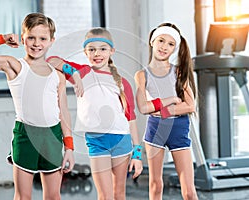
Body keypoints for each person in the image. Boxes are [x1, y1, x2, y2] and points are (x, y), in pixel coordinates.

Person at [0, 13, 80, 200]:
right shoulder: (15, 66)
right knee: (23, 196)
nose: (37, 43)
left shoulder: (57, 76)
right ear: (22, 39)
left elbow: (63, 113)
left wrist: (69, 148)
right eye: (31, 38)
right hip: (25, 135)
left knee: (53, 196)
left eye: (42, 38)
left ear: (51, 41)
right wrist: (1, 39)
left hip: (52, 137)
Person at [47, 27, 143, 200]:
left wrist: (137, 154)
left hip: (121, 139)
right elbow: (51, 60)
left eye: (102, 49)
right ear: (85, 52)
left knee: (118, 193)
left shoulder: (123, 83)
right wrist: (74, 74)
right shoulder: (84, 72)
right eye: (91, 49)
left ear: (111, 51)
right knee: (104, 195)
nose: (97, 53)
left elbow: (131, 118)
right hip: (97, 141)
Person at [134, 23, 198, 200]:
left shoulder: (178, 72)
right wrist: (172, 103)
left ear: (175, 49)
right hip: (155, 131)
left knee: (189, 191)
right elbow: (143, 107)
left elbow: (190, 106)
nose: (164, 47)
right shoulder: (142, 75)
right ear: (152, 41)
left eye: (170, 44)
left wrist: (163, 111)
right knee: (155, 185)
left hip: (178, 129)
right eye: (161, 41)